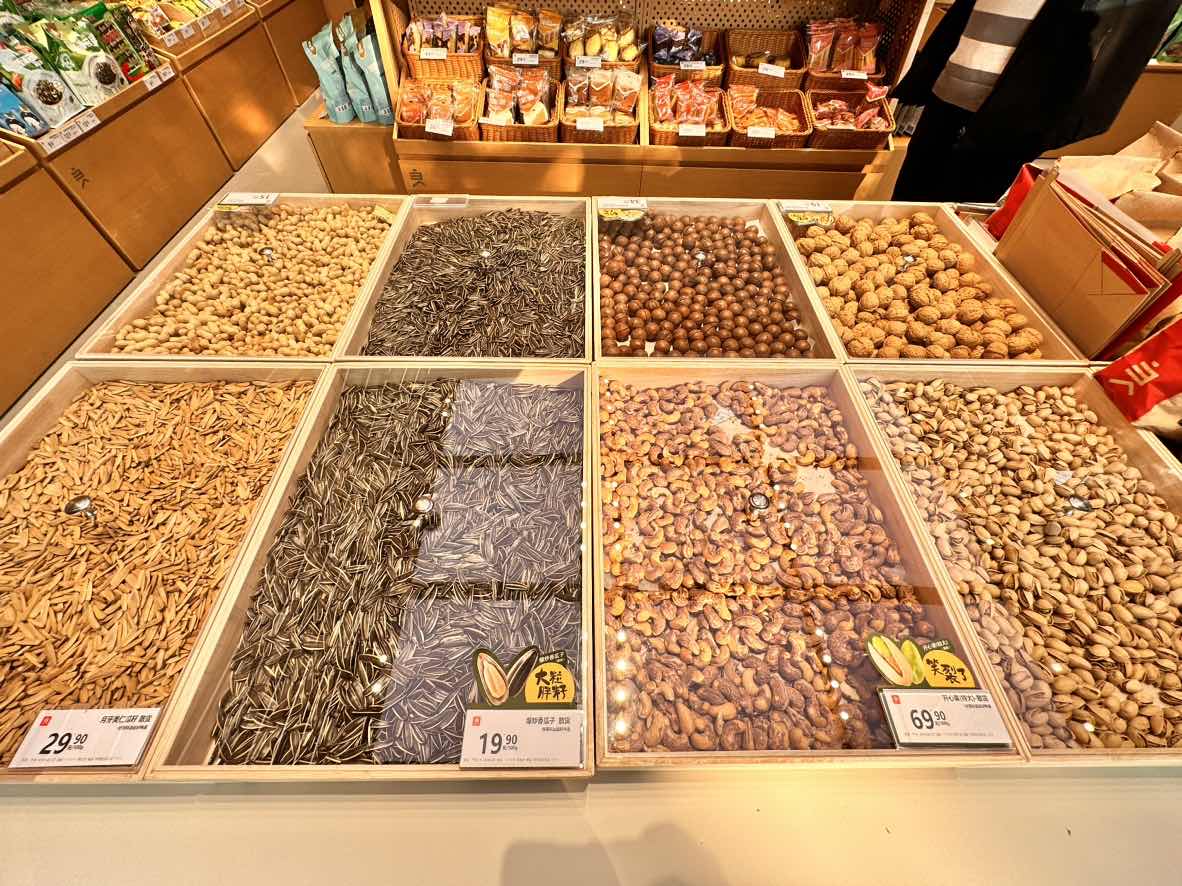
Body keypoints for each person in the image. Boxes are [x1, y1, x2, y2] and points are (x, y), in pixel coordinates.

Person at [892, 0, 1182, 203]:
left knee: (958, 209)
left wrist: (1060, 124)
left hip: (1019, 109)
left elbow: (1125, 39)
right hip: (950, 85)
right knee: (906, 198)